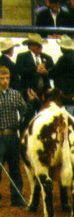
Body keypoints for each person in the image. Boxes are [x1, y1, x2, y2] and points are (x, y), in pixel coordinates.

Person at [0, 65, 26, 208]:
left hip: (12, 136)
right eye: (2, 78)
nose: (5, 81)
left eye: (7, 78)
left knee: (15, 168)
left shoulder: (15, 94)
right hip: (0, 137)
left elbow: (24, 110)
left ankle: (17, 197)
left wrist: (20, 122)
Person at [50, 36, 74, 114]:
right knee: (71, 114)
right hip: (73, 92)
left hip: (64, 94)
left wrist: (46, 72)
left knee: (66, 116)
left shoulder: (63, 59)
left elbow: (54, 73)